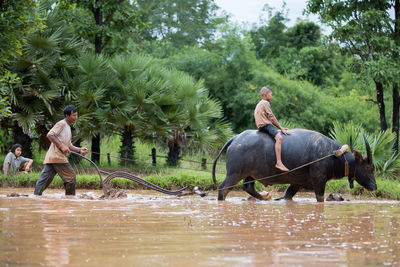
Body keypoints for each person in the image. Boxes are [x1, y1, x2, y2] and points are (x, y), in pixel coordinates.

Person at [34, 105, 89, 196]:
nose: (76, 117)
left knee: (45, 180)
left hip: (53, 157)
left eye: (76, 115)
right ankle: (70, 199)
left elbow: (69, 145)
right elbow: (50, 135)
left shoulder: (68, 126)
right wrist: (61, 146)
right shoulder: (62, 124)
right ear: (67, 116)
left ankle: (35, 197)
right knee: (70, 177)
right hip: (57, 156)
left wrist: (80, 150)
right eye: (74, 115)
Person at [254, 86, 291, 172]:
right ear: (265, 95)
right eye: (271, 94)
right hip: (266, 125)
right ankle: (279, 162)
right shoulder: (265, 103)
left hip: (261, 126)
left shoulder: (259, 103)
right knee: (279, 138)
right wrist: (281, 128)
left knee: (277, 134)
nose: (272, 96)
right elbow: (271, 117)